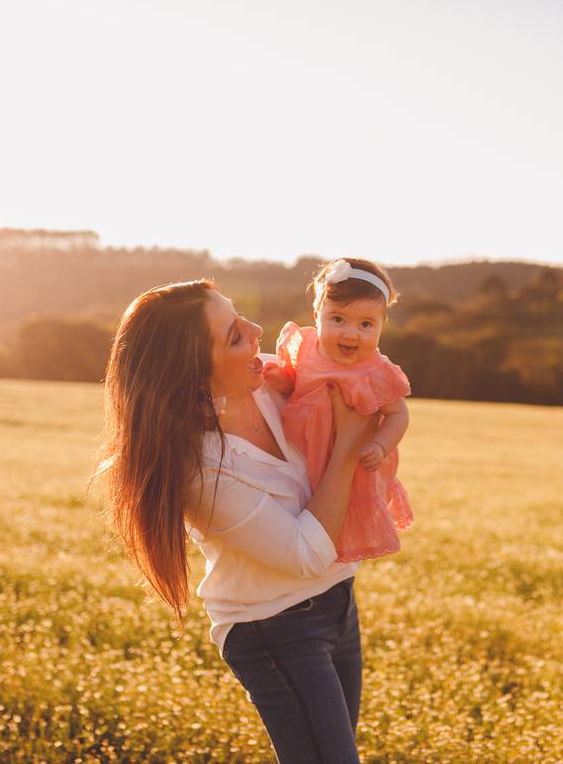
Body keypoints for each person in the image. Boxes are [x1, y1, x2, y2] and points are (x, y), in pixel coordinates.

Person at [92, 279, 379, 764]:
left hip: (338, 600)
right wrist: (349, 448)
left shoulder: (270, 383)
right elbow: (306, 554)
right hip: (276, 628)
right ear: (193, 372)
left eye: (240, 316)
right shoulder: (200, 472)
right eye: (233, 335)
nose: (257, 330)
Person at [262, 258, 412, 563]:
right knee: (301, 512)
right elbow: (300, 385)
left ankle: (331, 560)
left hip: (351, 463)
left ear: (383, 324)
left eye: (366, 324)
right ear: (317, 315)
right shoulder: (304, 347)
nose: (350, 334)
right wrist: (283, 379)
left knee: (339, 517)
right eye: (338, 319)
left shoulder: (376, 371)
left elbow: (398, 414)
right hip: (301, 456)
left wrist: (380, 446)